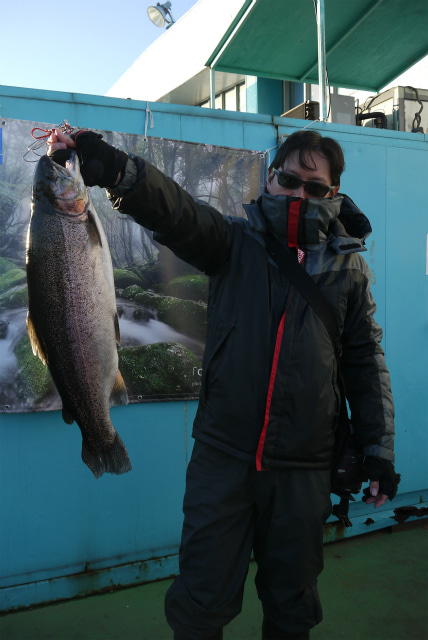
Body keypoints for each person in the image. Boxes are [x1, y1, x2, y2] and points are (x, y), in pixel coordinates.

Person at [48, 128, 400, 640]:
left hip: (304, 471)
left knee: (293, 605)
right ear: (271, 180)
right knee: (199, 604)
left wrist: (378, 450)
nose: (299, 193)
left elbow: (366, 360)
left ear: (334, 194)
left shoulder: (349, 268)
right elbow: (177, 213)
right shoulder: (232, 243)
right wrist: (118, 171)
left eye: (316, 187)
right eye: (289, 179)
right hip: (223, 462)